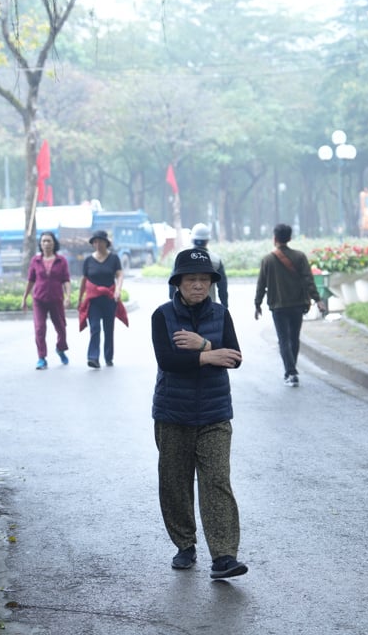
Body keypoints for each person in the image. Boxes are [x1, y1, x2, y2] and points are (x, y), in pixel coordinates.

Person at [151, 247, 247, 579]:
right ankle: (185, 545)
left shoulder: (222, 314)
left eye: (204, 279)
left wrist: (203, 346)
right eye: (191, 279)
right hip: (172, 413)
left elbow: (234, 358)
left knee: (217, 481)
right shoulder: (162, 316)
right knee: (175, 482)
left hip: (215, 413)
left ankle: (223, 556)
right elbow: (168, 361)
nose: (198, 285)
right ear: (178, 283)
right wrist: (210, 357)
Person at [254, 223, 326, 387]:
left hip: (278, 306)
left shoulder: (268, 260)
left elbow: (261, 285)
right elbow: (309, 280)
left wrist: (257, 304)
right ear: (289, 238)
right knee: (294, 338)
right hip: (297, 305)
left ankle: (291, 372)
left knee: (283, 339)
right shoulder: (299, 257)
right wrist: (318, 299)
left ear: (275, 238)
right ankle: (292, 369)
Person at [21, 231, 71, 370]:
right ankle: (41, 358)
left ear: (54, 243)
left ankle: (60, 349)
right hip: (39, 300)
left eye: (49, 241)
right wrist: (24, 298)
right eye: (43, 241)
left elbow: (66, 280)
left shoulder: (61, 261)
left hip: (56, 299)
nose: (46, 244)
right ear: (40, 244)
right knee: (39, 328)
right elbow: (31, 280)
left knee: (61, 328)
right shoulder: (35, 261)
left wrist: (68, 297)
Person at [78, 230, 123, 368]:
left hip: (109, 299)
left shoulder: (114, 258)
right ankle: (93, 358)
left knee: (109, 329)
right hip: (94, 300)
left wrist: (118, 290)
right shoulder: (88, 260)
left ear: (106, 243)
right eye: (95, 242)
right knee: (95, 328)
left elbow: (119, 275)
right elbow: (84, 280)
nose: (98, 244)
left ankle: (108, 357)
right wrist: (80, 299)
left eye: (100, 241)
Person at [168, 223, 228, 307]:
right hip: (209, 308)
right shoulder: (216, 260)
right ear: (207, 240)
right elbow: (222, 287)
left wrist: (172, 302)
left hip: (183, 307)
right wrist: (224, 306)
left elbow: (172, 283)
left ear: (192, 239)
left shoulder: (183, 259)